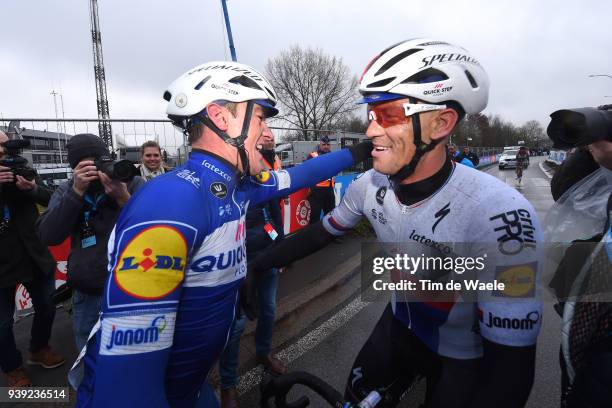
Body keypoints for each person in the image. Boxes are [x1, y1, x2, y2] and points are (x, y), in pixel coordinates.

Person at [249, 39, 543, 407]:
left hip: (462, 355)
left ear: (441, 122)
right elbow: (323, 232)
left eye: (387, 115)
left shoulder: (499, 216)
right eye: (371, 115)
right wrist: (259, 266)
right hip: (400, 326)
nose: (371, 130)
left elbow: (512, 369)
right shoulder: (368, 186)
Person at [70, 61, 372, 407]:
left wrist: (360, 152)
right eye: (260, 117)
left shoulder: (234, 186)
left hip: (193, 386)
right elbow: (126, 388)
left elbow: (300, 175)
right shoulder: (171, 203)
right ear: (221, 117)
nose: (267, 130)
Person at [37, 134, 145, 353]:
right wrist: (76, 193)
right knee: (88, 357)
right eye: (86, 165)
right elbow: (48, 235)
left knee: (131, 353)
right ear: (75, 168)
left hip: (132, 287)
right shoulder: (69, 189)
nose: (96, 170)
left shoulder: (131, 181)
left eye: (100, 162)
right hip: (88, 292)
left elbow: (153, 228)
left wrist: (123, 198)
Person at [219, 129, 286, 408]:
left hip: (267, 258)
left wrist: (280, 251)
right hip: (237, 267)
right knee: (235, 327)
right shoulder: (221, 183)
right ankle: (228, 385)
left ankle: (263, 352)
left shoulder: (263, 178)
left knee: (269, 310)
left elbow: (276, 217)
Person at [0, 131, 64, 387]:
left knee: (48, 307)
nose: (2, 150)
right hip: (1, 264)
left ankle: (38, 348)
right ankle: (12, 366)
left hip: (34, 255)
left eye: (4, 145)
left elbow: (51, 199)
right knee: (2, 324)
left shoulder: (22, 169)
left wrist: (31, 187)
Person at [307, 135, 335, 224]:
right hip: (316, 191)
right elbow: (307, 173)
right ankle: (313, 237)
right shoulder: (313, 156)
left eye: (328, 144)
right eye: (324, 144)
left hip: (329, 190)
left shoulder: (333, 156)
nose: (326, 146)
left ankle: (329, 237)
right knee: (315, 217)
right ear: (319, 145)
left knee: (330, 216)